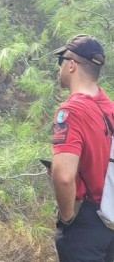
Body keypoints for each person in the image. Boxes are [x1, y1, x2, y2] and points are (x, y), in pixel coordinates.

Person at [50, 34, 114, 261]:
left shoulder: (71, 112)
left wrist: (68, 219)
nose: (60, 68)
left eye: (61, 61)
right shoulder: (110, 108)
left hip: (85, 224)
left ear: (71, 65)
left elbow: (65, 177)